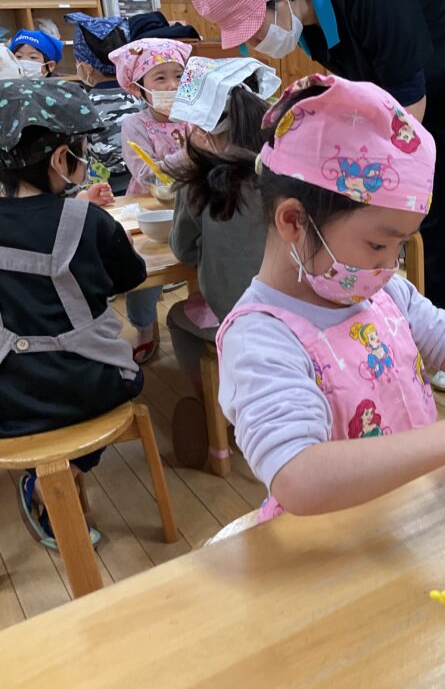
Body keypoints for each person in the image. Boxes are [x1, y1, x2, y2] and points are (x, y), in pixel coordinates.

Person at [208, 74, 445, 519]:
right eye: (379, 244)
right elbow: (298, 478)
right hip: (335, 542)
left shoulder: (384, 292)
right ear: (294, 222)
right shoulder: (259, 338)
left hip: (411, 518)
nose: (390, 264)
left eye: (400, 245)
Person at [190, 0, 445, 392]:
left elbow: (403, 113)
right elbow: (374, 99)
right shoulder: (310, 29)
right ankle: (435, 333)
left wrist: (369, 190)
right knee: (429, 218)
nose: (256, 42)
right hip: (423, 90)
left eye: (254, 27)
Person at [0, 78, 147, 550]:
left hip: (9, 399)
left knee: (33, 409)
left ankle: (40, 478)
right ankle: (57, 480)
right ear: (61, 159)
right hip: (90, 388)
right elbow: (131, 276)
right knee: (128, 377)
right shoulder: (89, 221)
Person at [162, 56, 279, 468]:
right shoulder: (285, 173)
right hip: (297, 311)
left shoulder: (200, 182)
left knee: (177, 317)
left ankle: (219, 416)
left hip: (235, 316)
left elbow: (183, 250)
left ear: (206, 130)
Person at [109, 38, 192, 364]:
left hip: (192, 205)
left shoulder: (195, 119)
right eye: (160, 78)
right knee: (144, 273)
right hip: (149, 208)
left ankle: (202, 312)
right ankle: (144, 328)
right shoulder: (134, 125)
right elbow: (147, 174)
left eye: (179, 76)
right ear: (139, 87)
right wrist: (193, 152)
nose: (172, 85)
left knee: (199, 261)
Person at [65, 13, 146, 196]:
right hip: (150, 184)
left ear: (86, 67)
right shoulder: (143, 96)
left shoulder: (81, 106)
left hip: (105, 193)